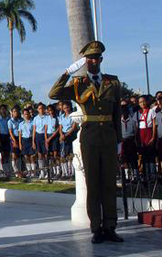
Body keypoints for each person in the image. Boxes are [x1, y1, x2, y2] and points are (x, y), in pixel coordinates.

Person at [49, 40, 123, 244]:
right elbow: (53, 94)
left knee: (109, 183)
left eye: (96, 57)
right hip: (89, 137)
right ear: (84, 61)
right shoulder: (77, 84)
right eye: (89, 58)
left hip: (108, 137)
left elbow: (117, 112)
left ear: (101, 60)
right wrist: (67, 72)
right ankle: (96, 228)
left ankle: (110, 226)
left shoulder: (113, 83)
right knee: (93, 184)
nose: (93, 61)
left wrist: (119, 140)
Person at [136, 95, 157, 177]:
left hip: (149, 132)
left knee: (151, 155)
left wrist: (153, 137)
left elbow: (154, 125)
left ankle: (152, 174)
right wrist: (136, 139)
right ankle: (146, 175)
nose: (142, 103)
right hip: (141, 135)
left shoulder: (151, 111)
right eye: (140, 102)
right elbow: (136, 127)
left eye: (143, 101)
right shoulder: (137, 113)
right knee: (143, 156)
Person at [58, 101, 78, 179]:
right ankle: (65, 173)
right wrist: (61, 135)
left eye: (67, 107)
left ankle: (71, 173)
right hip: (63, 135)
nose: (66, 109)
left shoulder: (73, 115)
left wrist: (65, 135)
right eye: (64, 108)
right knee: (63, 155)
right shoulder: (62, 116)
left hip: (70, 135)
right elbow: (60, 127)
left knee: (70, 155)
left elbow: (73, 127)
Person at [120, 99, 138, 177]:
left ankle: (135, 176)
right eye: (122, 108)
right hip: (123, 142)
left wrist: (135, 139)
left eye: (125, 108)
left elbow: (135, 130)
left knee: (133, 159)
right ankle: (127, 176)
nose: (124, 110)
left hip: (131, 140)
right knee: (124, 160)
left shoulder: (132, 119)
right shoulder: (119, 121)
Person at [32, 103, 48, 179]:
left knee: (46, 155)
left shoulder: (47, 117)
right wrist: (33, 141)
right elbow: (34, 130)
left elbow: (46, 128)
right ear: (37, 110)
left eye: (42, 108)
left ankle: (48, 171)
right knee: (39, 155)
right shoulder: (35, 118)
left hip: (45, 136)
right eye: (39, 108)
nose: (41, 110)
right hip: (38, 136)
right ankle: (42, 172)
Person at [44, 105, 61, 179]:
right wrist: (46, 139)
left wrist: (50, 138)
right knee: (50, 155)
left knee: (55, 154)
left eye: (51, 110)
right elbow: (45, 129)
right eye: (49, 110)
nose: (50, 112)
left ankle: (58, 172)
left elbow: (57, 130)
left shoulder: (57, 118)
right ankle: (53, 171)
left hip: (54, 137)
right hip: (48, 136)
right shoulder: (47, 118)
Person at [18, 108, 35, 178]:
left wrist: (33, 142)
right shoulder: (21, 124)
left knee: (32, 157)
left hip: (30, 139)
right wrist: (20, 143)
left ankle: (33, 172)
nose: (26, 115)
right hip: (24, 140)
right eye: (24, 114)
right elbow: (20, 134)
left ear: (29, 114)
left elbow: (34, 133)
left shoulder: (33, 122)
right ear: (23, 115)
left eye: (27, 114)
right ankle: (29, 171)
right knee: (26, 157)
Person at [0, 104, 12, 177]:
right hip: (1, 137)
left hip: (7, 136)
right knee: (3, 154)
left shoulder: (8, 118)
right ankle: (4, 171)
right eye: (1, 109)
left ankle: (8, 170)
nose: (3, 110)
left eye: (4, 109)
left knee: (8, 154)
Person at [8, 105, 23, 178]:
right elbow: (10, 132)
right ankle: (16, 171)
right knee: (14, 156)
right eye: (14, 111)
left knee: (19, 156)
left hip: (20, 138)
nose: (16, 113)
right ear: (12, 113)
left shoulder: (21, 120)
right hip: (13, 139)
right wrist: (14, 141)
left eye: (17, 111)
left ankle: (20, 171)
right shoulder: (10, 121)